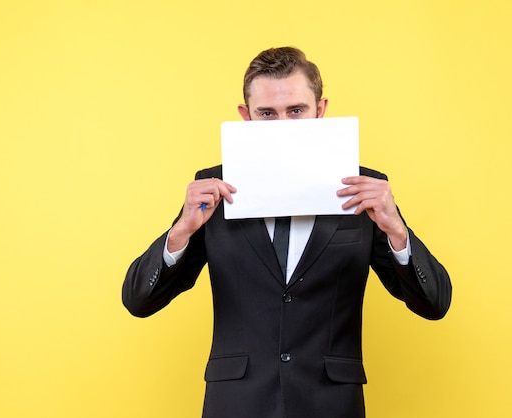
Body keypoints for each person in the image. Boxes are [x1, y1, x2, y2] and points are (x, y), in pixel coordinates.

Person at [122, 46, 452, 418]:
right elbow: (139, 301)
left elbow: (434, 304)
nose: (283, 125)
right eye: (268, 114)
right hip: (238, 404)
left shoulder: (367, 191)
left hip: (331, 404)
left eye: (296, 110)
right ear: (246, 117)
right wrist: (181, 232)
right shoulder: (212, 189)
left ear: (321, 111)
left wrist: (397, 232)